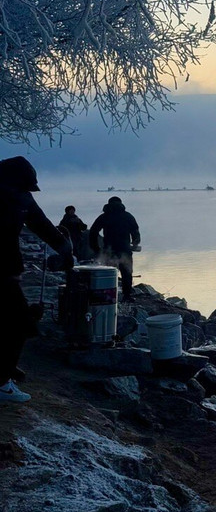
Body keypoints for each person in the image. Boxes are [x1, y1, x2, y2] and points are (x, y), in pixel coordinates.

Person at [0, 156, 73, 403]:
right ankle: (2, 383)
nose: (25, 192)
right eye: (23, 187)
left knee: (14, 323)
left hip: (8, 270)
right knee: (19, 324)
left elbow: (41, 223)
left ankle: (6, 369)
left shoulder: (22, 198)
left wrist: (64, 247)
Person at [89, 197, 141, 303]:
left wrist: (96, 248)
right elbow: (135, 232)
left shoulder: (104, 217)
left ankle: (107, 295)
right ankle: (127, 296)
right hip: (124, 249)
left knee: (108, 273)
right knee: (126, 273)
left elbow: (93, 232)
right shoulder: (128, 216)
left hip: (109, 250)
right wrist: (135, 243)